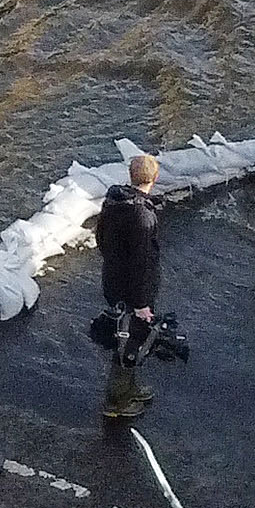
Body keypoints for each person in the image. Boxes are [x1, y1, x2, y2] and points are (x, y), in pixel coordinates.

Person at [96, 155, 165, 423]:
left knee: (125, 338)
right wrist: (141, 303)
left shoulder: (113, 203)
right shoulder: (143, 217)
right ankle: (117, 401)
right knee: (129, 342)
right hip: (133, 292)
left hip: (113, 281)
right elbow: (142, 263)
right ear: (155, 178)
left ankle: (128, 389)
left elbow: (101, 239)